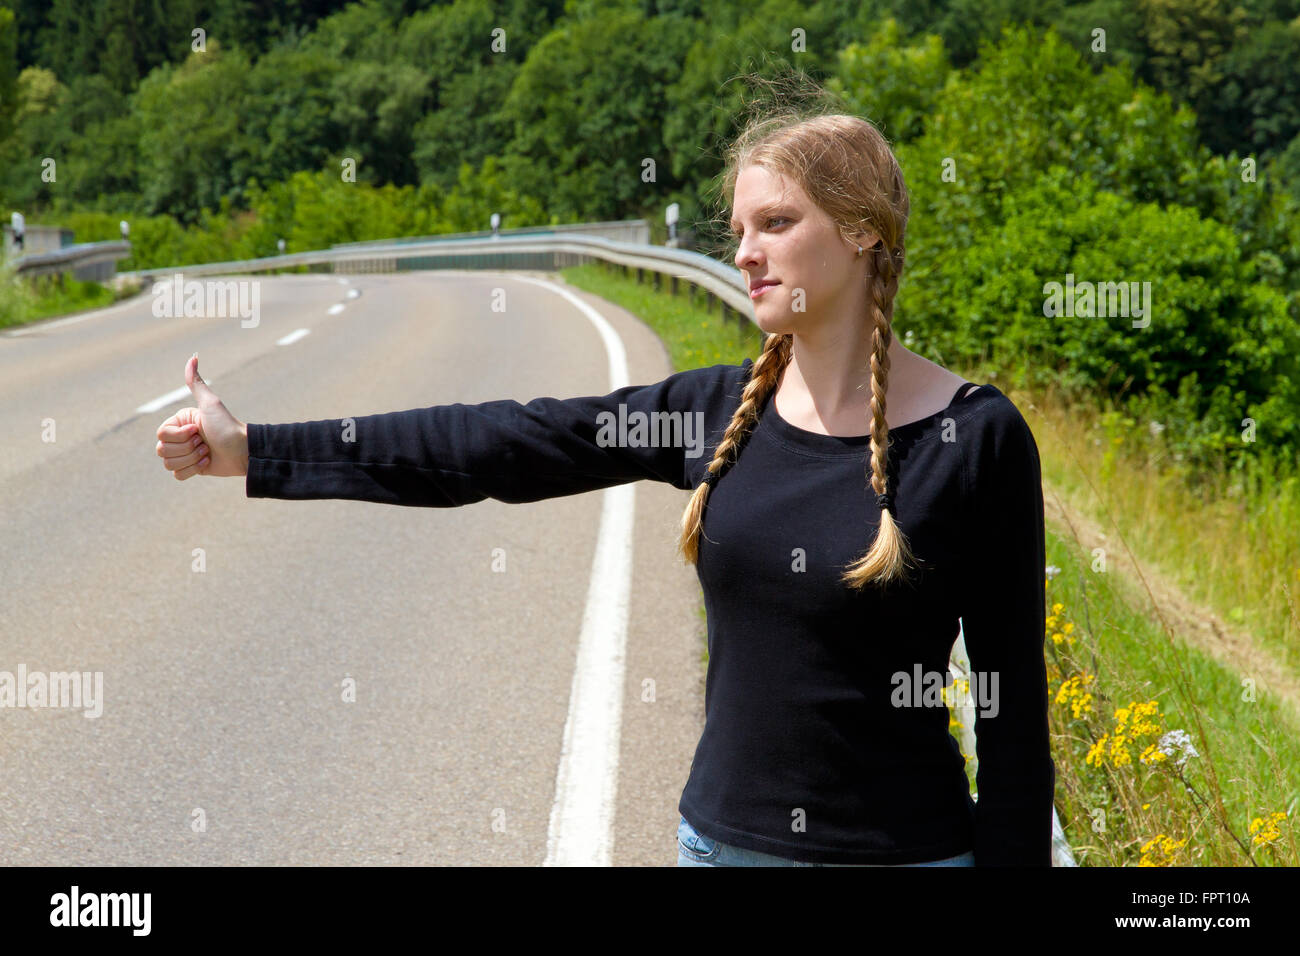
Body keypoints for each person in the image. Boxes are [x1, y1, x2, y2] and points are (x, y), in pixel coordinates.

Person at [155, 110, 1054, 869]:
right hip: (719, 849)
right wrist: (257, 452)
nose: (744, 253)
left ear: (862, 229)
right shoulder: (707, 413)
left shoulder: (974, 440)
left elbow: (1010, 715)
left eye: (774, 223)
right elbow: (499, 444)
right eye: (737, 229)